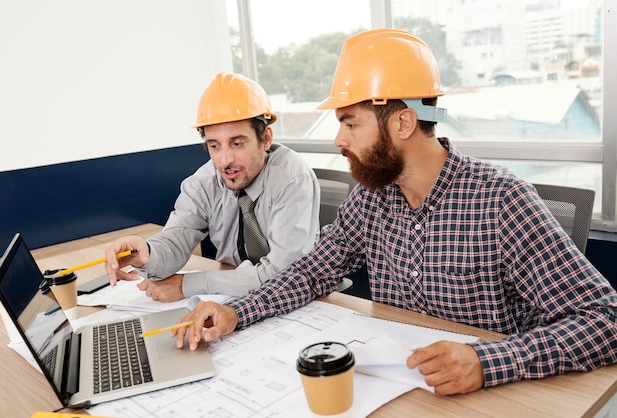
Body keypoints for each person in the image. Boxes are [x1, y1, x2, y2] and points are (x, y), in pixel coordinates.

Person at [173, 29, 617, 395]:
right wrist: (239, 311)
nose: (339, 140)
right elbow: (310, 273)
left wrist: (488, 361)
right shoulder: (373, 197)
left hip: (492, 396)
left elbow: (605, 319)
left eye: (350, 123)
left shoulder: (501, 201)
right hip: (400, 390)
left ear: (403, 123)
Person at [104, 72, 320, 301]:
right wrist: (146, 253)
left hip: (297, 299)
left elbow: (284, 276)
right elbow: (175, 240)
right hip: (232, 298)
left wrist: (190, 284)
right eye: (214, 146)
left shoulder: (290, 177)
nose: (225, 160)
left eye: (237, 144)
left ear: (266, 138)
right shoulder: (203, 183)